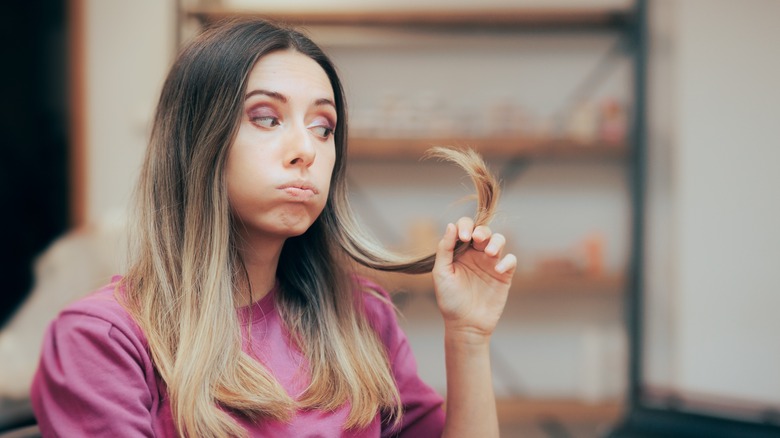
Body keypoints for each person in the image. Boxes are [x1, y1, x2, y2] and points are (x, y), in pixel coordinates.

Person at [30, 18, 516, 437]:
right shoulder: (101, 341)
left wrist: (468, 336)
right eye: (266, 118)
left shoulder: (365, 317)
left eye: (323, 127)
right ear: (196, 141)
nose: (305, 149)